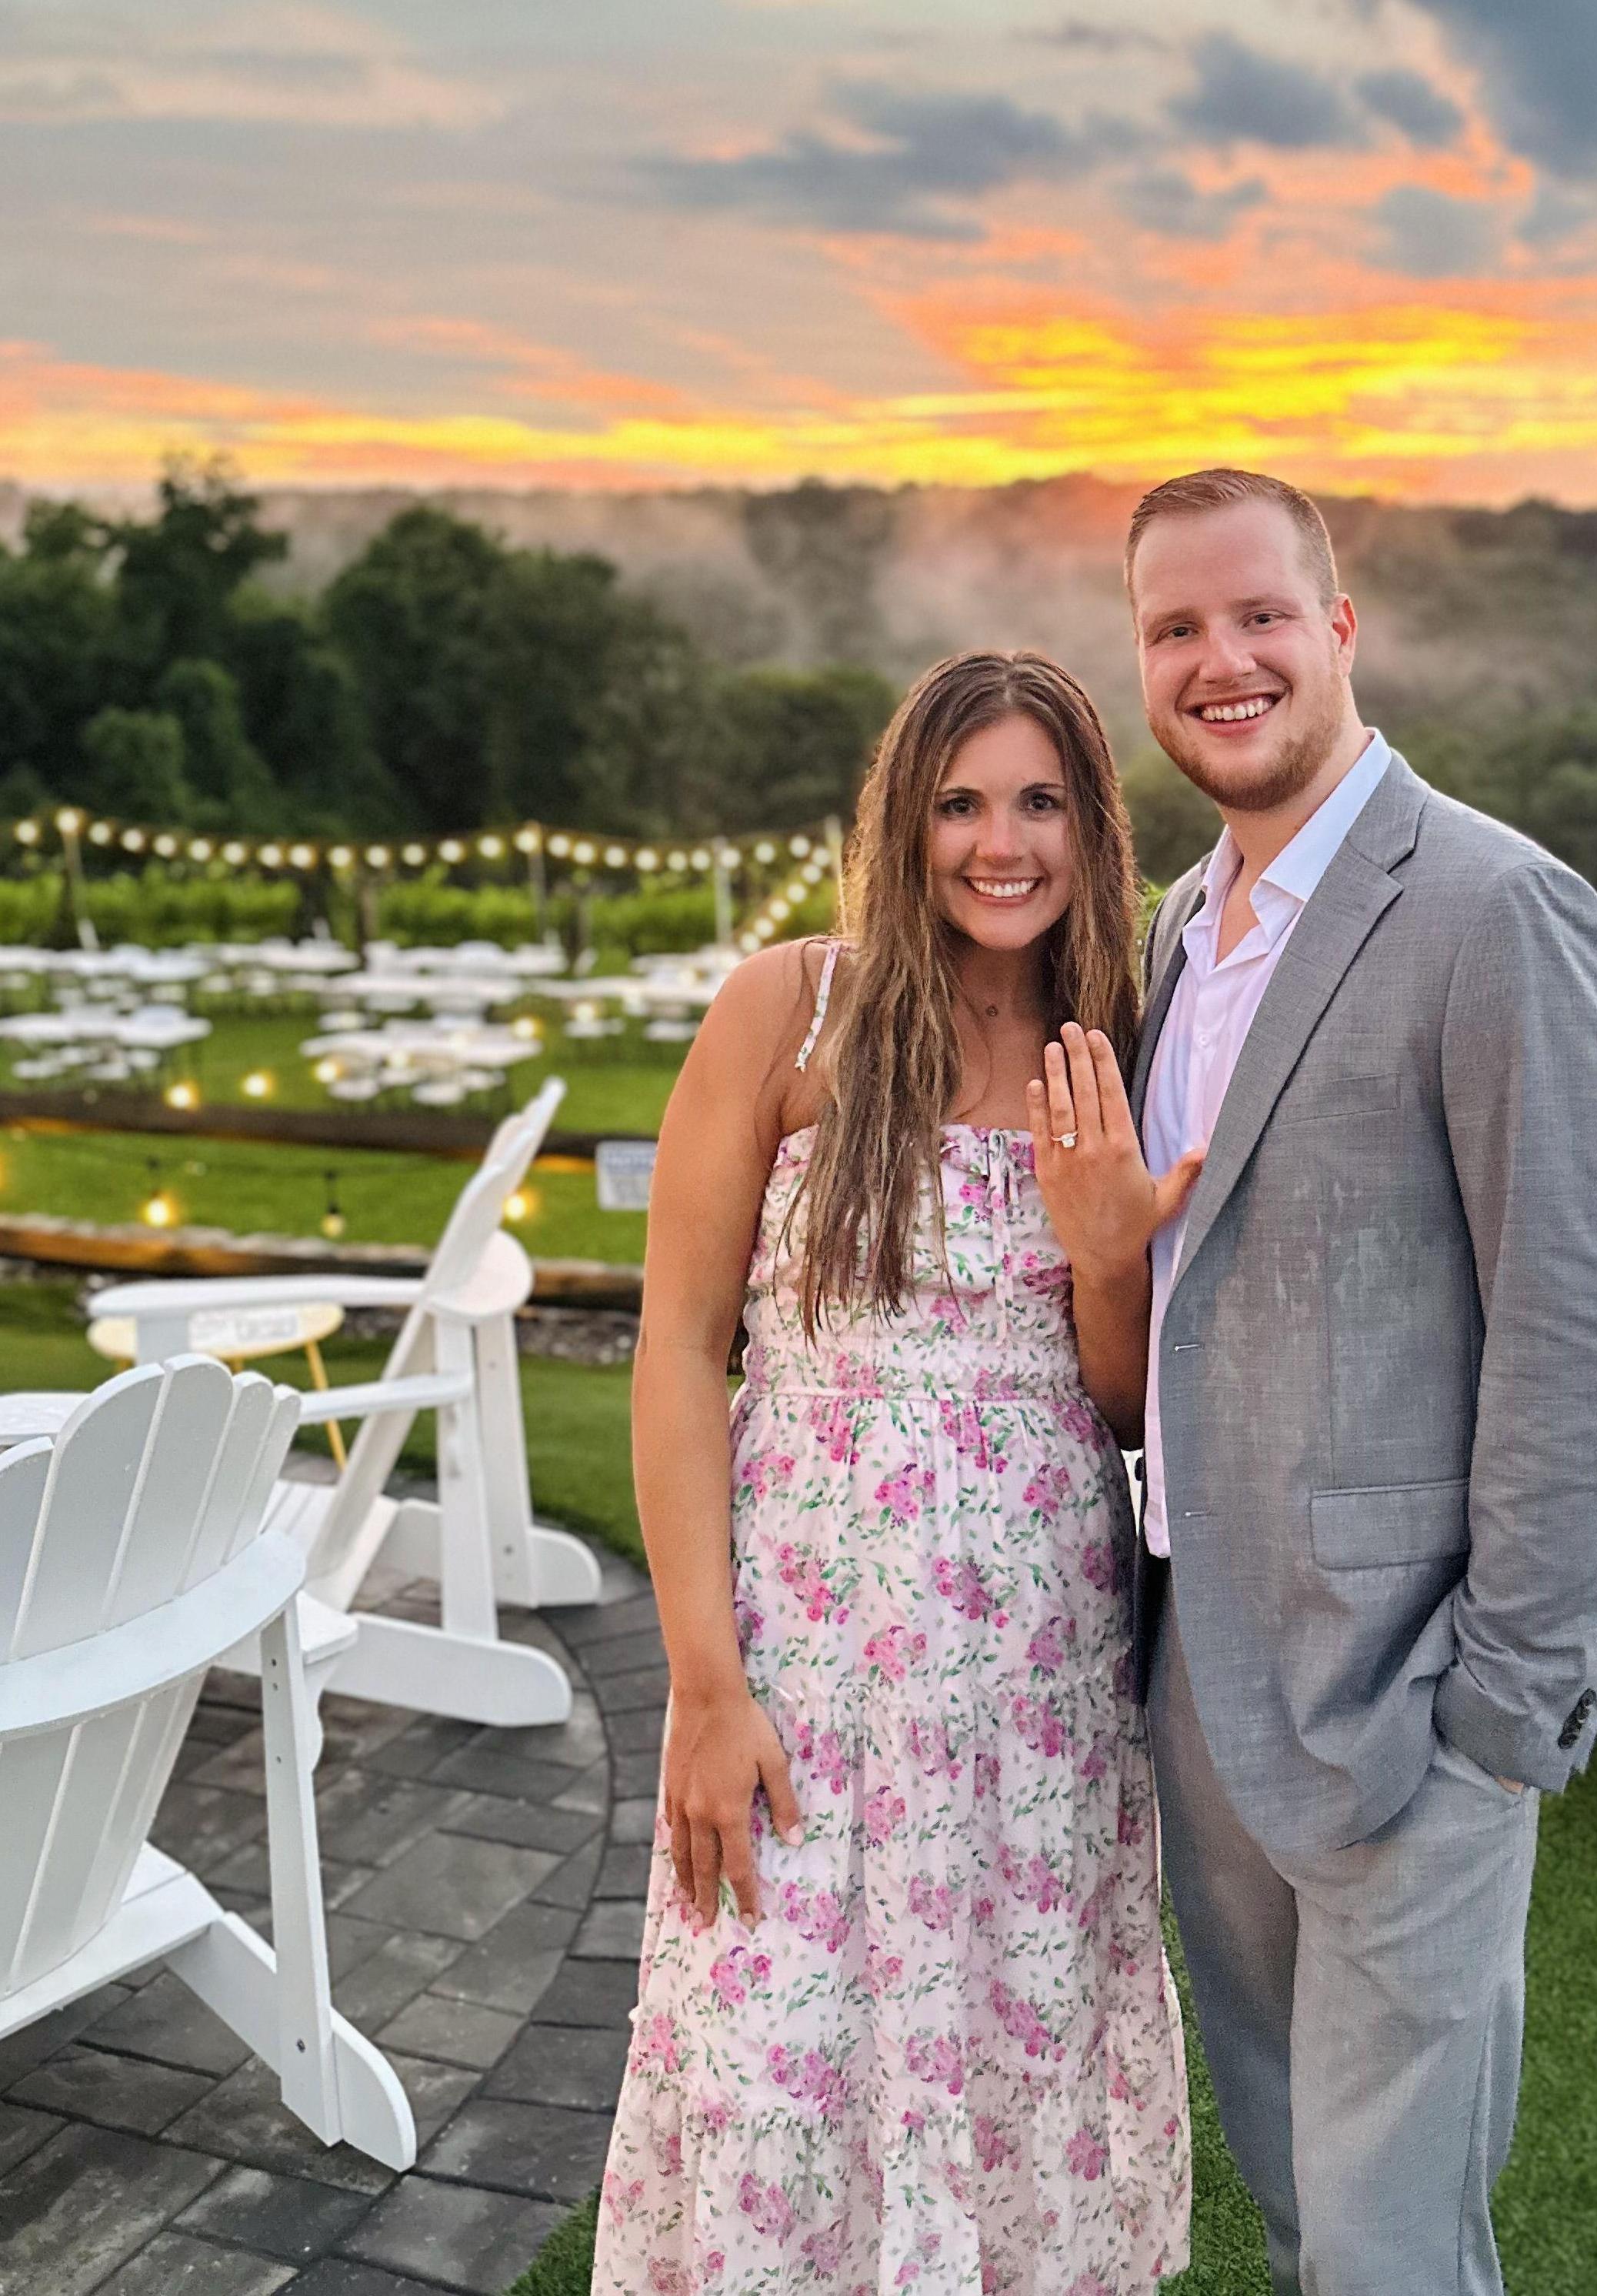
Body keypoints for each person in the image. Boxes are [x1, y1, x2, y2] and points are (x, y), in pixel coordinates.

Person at [1120, 468, 1597, 2296]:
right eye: (1175, 628)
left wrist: (1503, 1709)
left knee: (1388, 2246)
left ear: (1339, 626)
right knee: (1294, 2198)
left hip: (1413, 1696)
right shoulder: (1177, 930)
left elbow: (1582, 1329)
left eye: (1258, 614)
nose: (1220, 660)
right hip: (1207, 1675)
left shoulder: (1499, 908)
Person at [592, 650, 1192, 2294]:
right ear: (903, 821)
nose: (1001, 844)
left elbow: (1121, 1406)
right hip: (806, 1677)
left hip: (1037, 1692)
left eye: (1040, 802)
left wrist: (1107, 1255)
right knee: (777, 2060)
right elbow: (676, 1352)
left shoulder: (1116, 1043)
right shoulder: (790, 1010)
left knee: (1014, 2070)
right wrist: (705, 1685)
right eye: (959, 804)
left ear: (1093, 827)